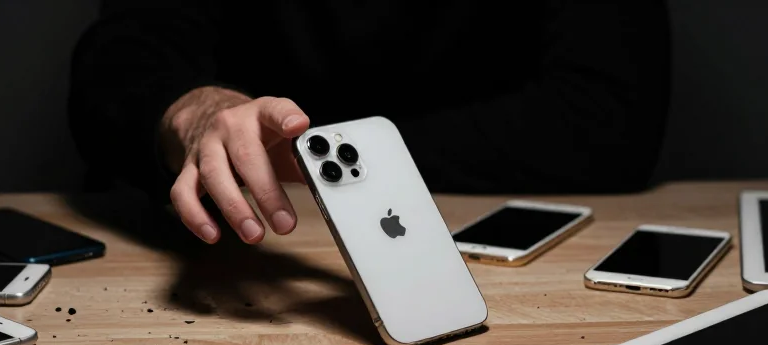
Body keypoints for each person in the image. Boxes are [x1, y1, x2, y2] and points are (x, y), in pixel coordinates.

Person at [69, 1, 670, 245]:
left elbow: (609, 116)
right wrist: (196, 113)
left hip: (466, 228)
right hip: (235, 239)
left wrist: (339, 153)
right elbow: (118, 57)